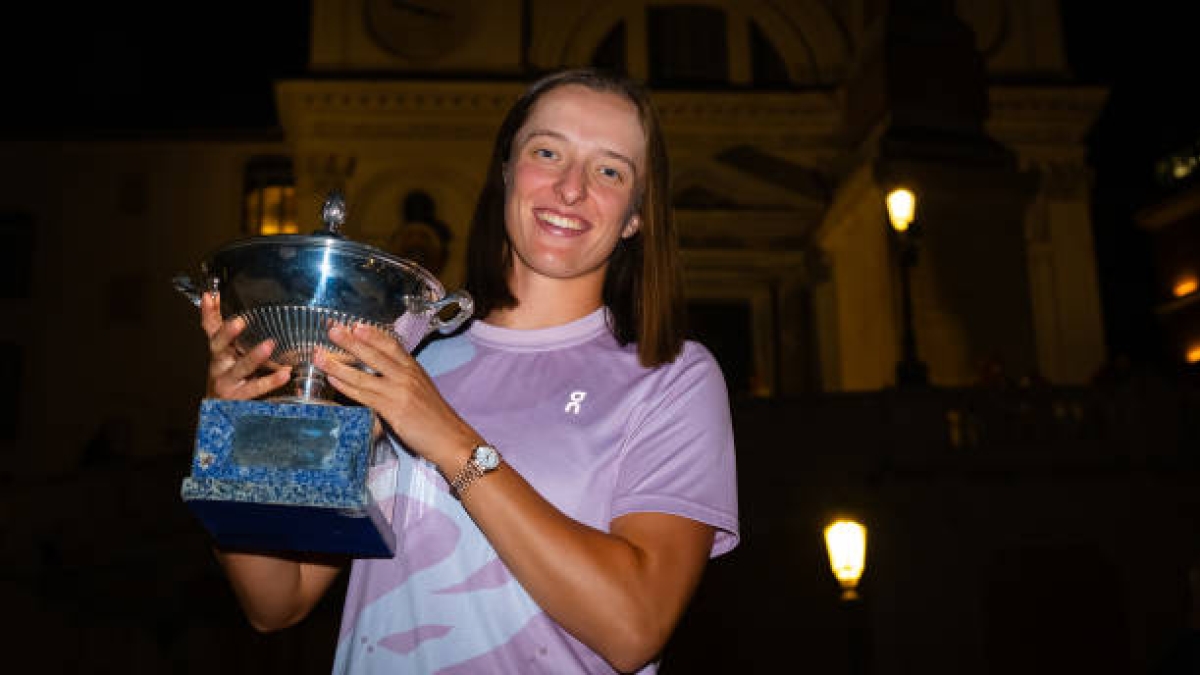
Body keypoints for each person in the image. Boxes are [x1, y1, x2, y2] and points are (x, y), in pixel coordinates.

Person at [199, 67, 740, 674]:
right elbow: (278, 601)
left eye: (609, 170)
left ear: (636, 214)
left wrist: (450, 439)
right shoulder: (404, 349)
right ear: (507, 170)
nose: (570, 188)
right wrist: (242, 441)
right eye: (547, 152)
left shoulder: (671, 378)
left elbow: (634, 626)